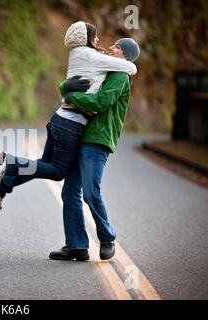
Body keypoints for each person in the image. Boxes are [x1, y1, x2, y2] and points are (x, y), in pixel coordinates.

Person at [0, 21, 137, 212]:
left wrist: (66, 90)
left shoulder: (84, 56)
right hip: (70, 123)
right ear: (87, 38)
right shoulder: (98, 60)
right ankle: (10, 162)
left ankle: (2, 186)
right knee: (57, 172)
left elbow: (66, 85)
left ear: (125, 55)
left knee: (43, 165)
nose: (107, 45)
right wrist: (71, 95)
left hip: (60, 119)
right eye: (97, 37)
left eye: (117, 46)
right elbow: (128, 72)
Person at [49, 37, 140, 261]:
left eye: (118, 47)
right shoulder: (103, 69)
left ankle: (107, 237)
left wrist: (71, 96)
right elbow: (73, 81)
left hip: (98, 139)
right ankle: (77, 245)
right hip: (80, 134)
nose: (111, 47)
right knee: (69, 191)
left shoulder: (119, 76)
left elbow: (100, 102)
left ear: (126, 56)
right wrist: (66, 88)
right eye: (114, 44)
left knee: (90, 193)